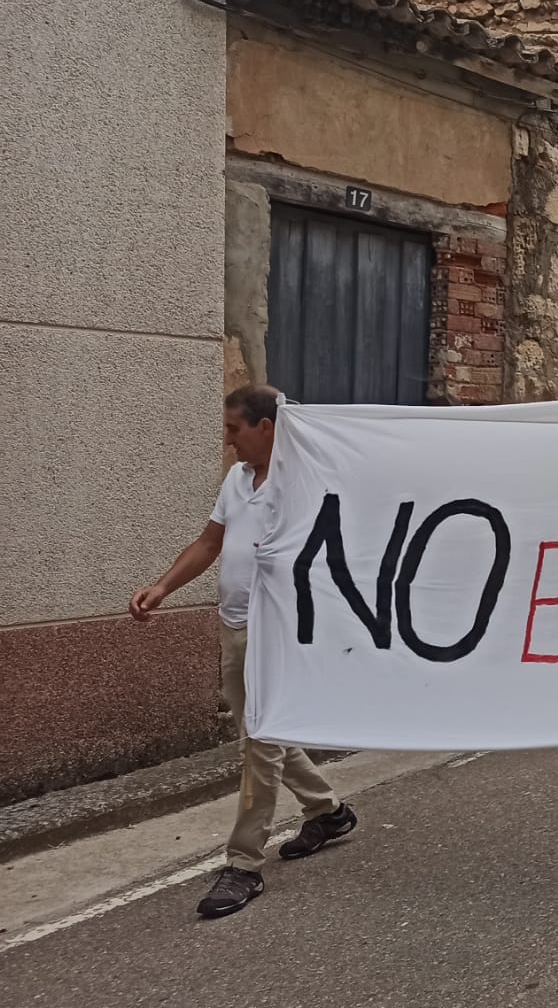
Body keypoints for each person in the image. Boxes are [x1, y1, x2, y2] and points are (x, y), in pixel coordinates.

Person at [130, 385, 360, 919]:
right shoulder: (237, 480)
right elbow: (211, 543)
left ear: (266, 427)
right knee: (263, 733)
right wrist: (163, 587)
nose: (228, 440)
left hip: (277, 632)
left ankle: (243, 865)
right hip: (235, 628)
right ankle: (328, 811)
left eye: (235, 429)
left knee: (260, 744)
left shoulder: (301, 479)